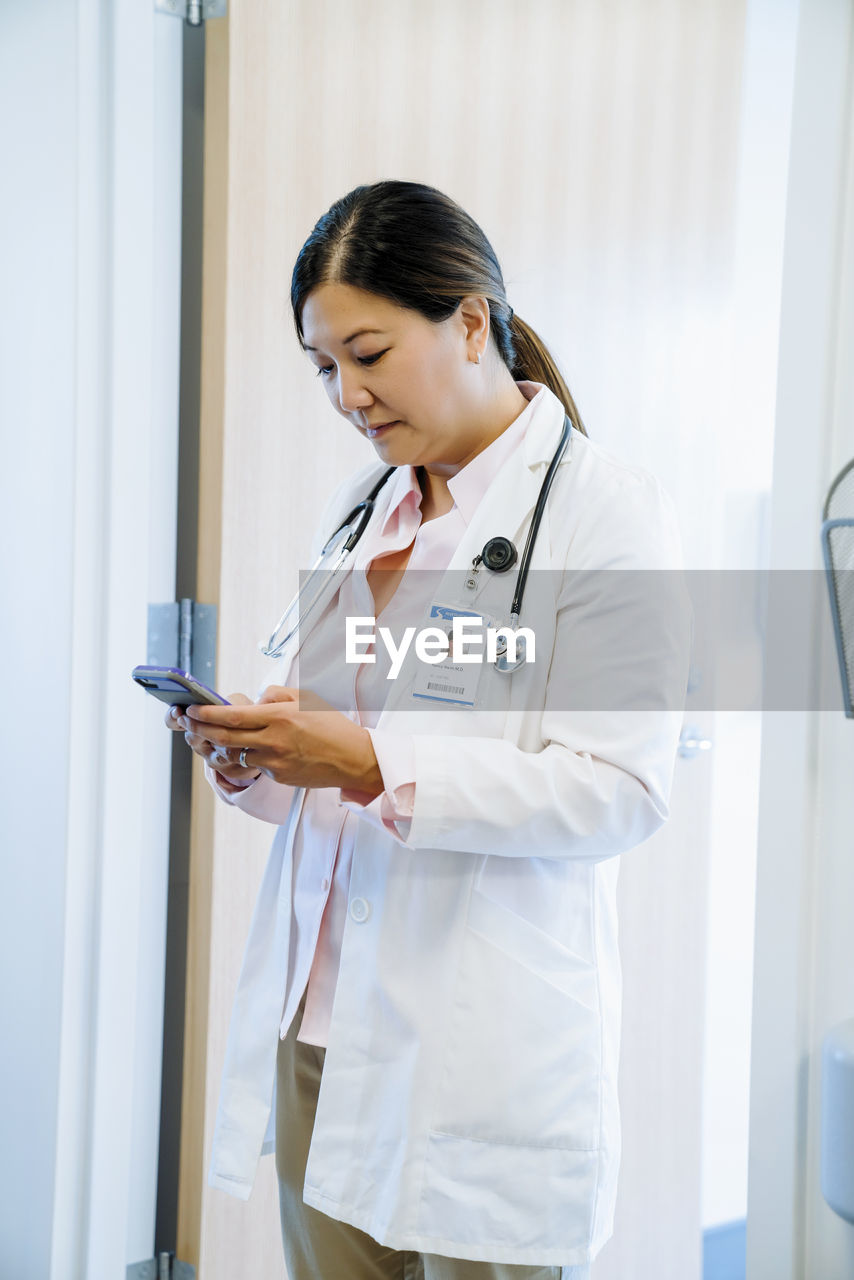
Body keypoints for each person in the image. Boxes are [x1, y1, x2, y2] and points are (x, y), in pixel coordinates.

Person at [165, 180, 690, 1280]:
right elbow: (319, 734)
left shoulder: (600, 513)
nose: (348, 395)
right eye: (323, 369)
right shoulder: (363, 510)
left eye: (367, 352)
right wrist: (254, 751)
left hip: (477, 1051)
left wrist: (365, 763)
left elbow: (618, 787)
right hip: (319, 1028)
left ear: (466, 318)